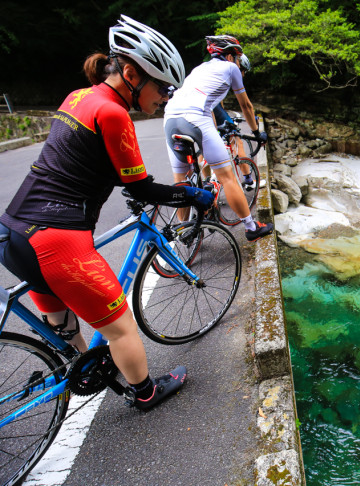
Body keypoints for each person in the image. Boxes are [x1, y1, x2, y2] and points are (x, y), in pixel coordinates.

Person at [0, 15, 215, 410]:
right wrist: (192, 196)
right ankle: (147, 392)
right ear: (131, 74)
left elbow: (83, 162)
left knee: (72, 338)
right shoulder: (114, 114)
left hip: (14, 232)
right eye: (163, 87)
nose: (166, 96)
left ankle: (78, 373)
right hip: (57, 240)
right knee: (121, 329)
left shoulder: (78, 97)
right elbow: (141, 187)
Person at [164, 35, 274, 242]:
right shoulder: (231, 69)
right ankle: (251, 228)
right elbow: (246, 106)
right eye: (238, 58)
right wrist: (257, 132)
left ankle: (182, 232)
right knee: (227, 177)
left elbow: (210, 107)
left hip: (170, 117)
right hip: (196, 117)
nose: (239, 62)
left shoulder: (199, 69)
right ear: (230, 55)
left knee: (182, 182)